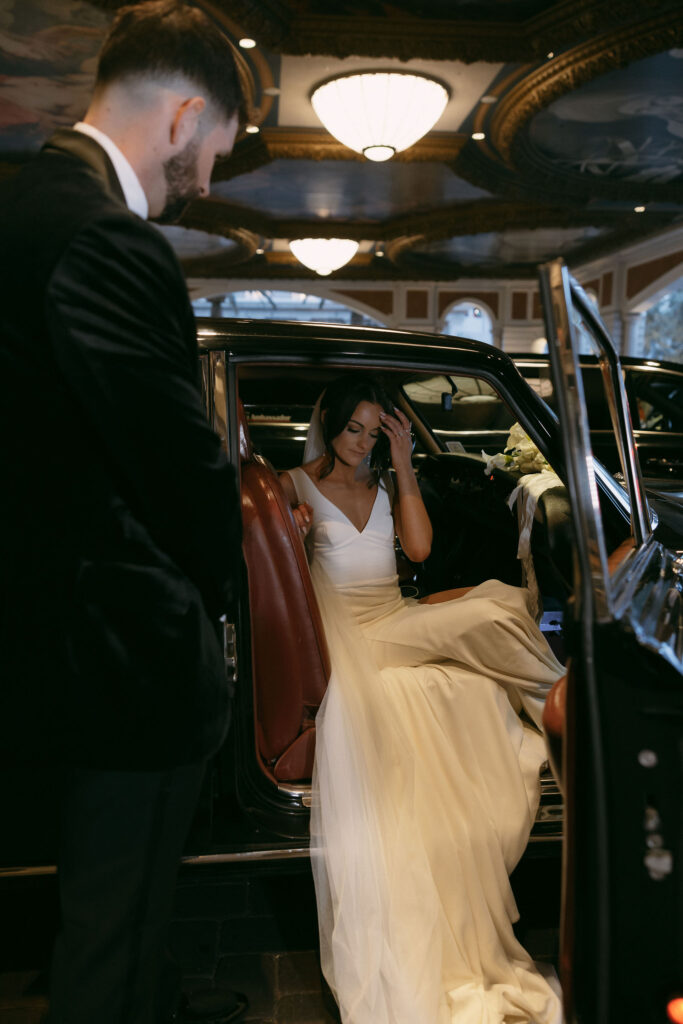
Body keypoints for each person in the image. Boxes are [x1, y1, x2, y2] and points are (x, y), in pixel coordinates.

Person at [0, 3, 247, 1022]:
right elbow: (179, 471)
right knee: (113, 922)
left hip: (57, 641)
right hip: (121, 654)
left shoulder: (28, 205)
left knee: (107, 920)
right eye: (217, 152)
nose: (212, 179)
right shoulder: (106, 236)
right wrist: (225, 596)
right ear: (184, 115)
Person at [280, 374, 565, 1024]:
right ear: (331, 424)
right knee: (495, 605)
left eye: (373, 432)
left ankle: (552, 703)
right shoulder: (294, 487)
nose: (360, 443)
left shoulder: (384, 484)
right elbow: (289, 583)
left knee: (481, 647)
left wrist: (405, 467)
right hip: (348, 638)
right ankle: (567, 701)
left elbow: (420, 550)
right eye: (353, 428)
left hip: (393, 618)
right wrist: (294, 535)